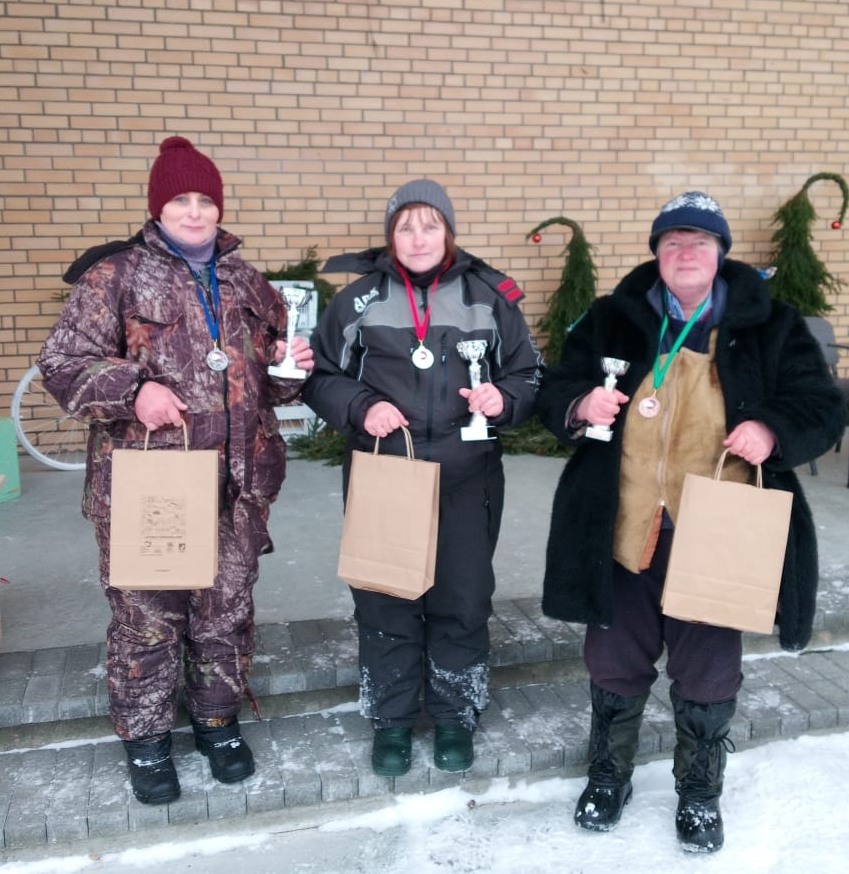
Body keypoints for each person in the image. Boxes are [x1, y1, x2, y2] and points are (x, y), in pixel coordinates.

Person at [537, 191, 845, 851]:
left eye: (699, 243)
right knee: (613, 659)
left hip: (718, 530)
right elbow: (554, 389)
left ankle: (700, 792)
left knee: (708, 669)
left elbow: (821, 408)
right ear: (656, 253)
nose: (685, 254)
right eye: (672, 242)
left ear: (720, 253)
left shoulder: (772, 324)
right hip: (622, 524)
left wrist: (771, 428)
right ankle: (608, 775)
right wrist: (580, 403)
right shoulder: (612, 319)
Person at [38, 136, 314, 805]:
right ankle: (147, 740)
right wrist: (133, 391)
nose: (194, 212)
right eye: (180, 200)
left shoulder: (249, 282)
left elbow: (268, 376)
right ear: (158, 207)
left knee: (225, 611)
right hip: (150, 483)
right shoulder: (117, 277)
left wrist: (290, 370)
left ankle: (218, 724)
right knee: (148, 616)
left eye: (205, 200)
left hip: (236, 486)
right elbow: (63, 364)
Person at [302, 178, 543, 777]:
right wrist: (361, 408)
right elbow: (319, 375)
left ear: (449, 232)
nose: (417, 237)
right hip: (386, 470)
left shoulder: (489, 298)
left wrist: (502, 399)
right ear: (390, 235)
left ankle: (457, 713)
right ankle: (391, 720)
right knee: (386, 596)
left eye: (429, 225)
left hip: (469, 474)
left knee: (462, 597)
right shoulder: (357, 301)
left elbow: (531, 373)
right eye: (405, 226)